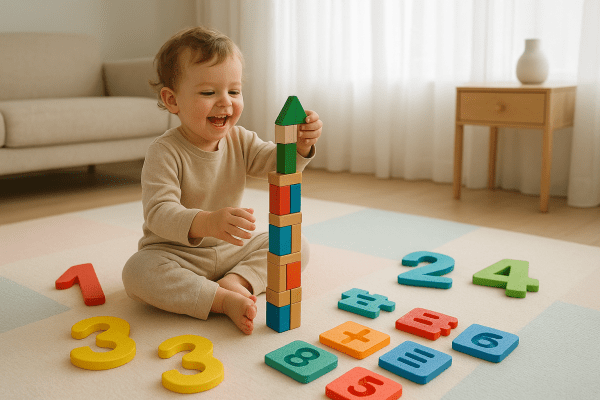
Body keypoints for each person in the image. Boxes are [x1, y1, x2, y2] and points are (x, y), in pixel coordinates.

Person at [122, 26, 322, 335]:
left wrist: (300, 146)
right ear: (172, 100)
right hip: (177, 253)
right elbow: (159, 214)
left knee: (296, 244)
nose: (225, 102)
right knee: (137, 273)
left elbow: (278, 164)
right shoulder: (164, 151)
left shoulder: (239, 138)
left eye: (234, 91)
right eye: (208, 93)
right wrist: (208, 222)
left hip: (232, 251)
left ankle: (237, 282)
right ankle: (220, 299)